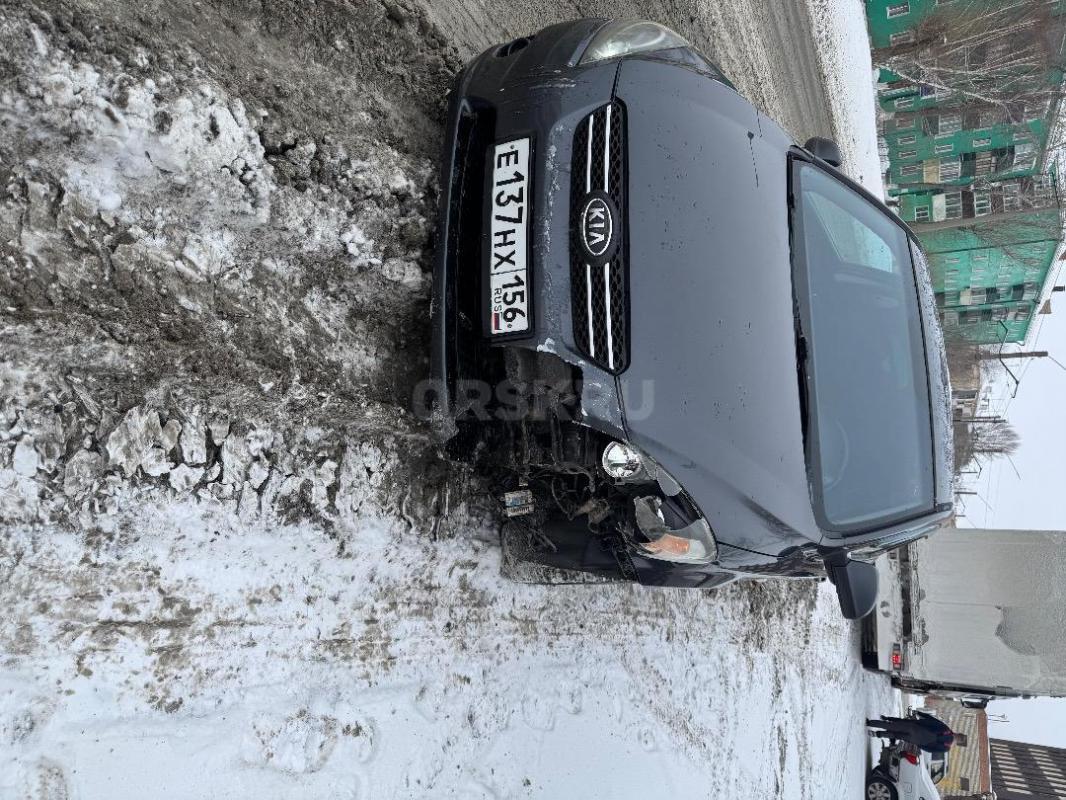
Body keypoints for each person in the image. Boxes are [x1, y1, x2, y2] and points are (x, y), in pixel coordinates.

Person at [866, 710, 956, 753]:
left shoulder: (946, 730)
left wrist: (921, 714)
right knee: (895, 735)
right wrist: (920, 745)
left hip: (916, 728)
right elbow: (930, 750)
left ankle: (870, 723)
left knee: (893, 726)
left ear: (955, 734)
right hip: (917, 740)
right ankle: (876, 734)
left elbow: (932, 721)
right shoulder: (946, 748)